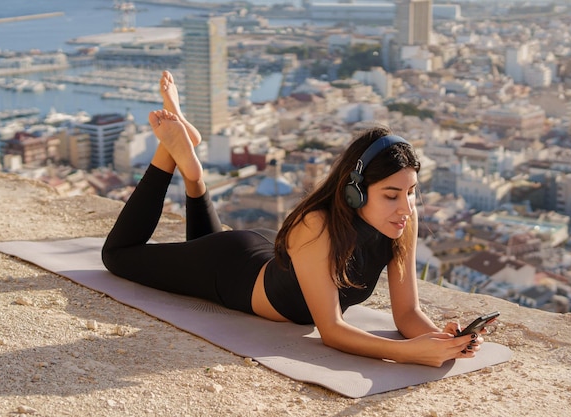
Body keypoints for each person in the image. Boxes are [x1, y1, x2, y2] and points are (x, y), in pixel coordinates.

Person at [102, 70, 485, 368]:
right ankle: (169, 155)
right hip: (230, 267)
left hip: (269, 254)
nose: (405, 206)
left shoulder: (403, 220)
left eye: (411, 192)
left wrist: (441, 340)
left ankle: (193, 170)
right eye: (391, 194)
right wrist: (407, 354)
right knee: (118, 256)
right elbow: (331, 330)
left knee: (194, 248)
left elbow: (406, 313)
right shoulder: (317, 226)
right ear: (355, 191)